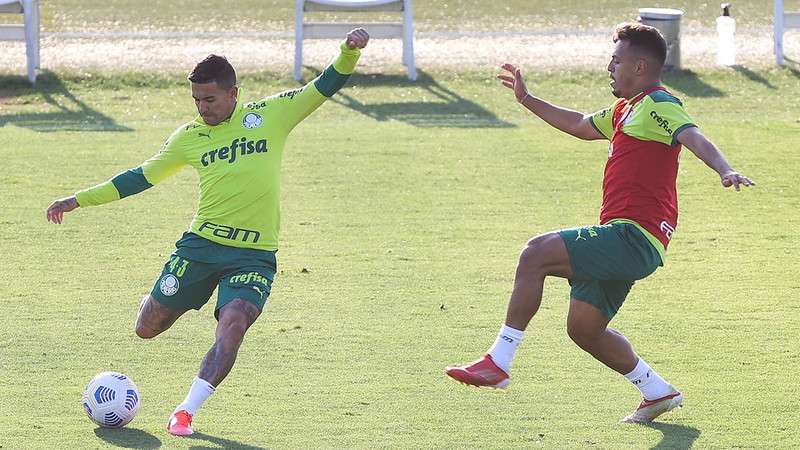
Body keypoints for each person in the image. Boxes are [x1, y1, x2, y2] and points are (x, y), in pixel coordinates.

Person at [46, 28, 370, 436]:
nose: (202, 108)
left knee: (233, 322)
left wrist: (348, 51)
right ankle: (160, 295)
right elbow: (141, 177)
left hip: (253, 255)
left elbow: (323, 86)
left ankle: (186, 411)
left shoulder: (271, 115)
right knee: (147, 328)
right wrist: (79, 199)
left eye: (210, 99)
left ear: (234, 93)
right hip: (200, 247)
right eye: (196, 100)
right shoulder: (189, 137)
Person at [445, 22, 754, 423]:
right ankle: (656, 391)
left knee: (536, 252)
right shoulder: (627, 108)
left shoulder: (659, 103)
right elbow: (578, 124)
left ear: (640, 67)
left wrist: (724, 169)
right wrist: (527, 99)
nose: (610, 66)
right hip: (625, 239)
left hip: (633, 236)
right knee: (584, 328)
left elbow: (692, 135)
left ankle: (499, 360)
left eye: (616, 59)